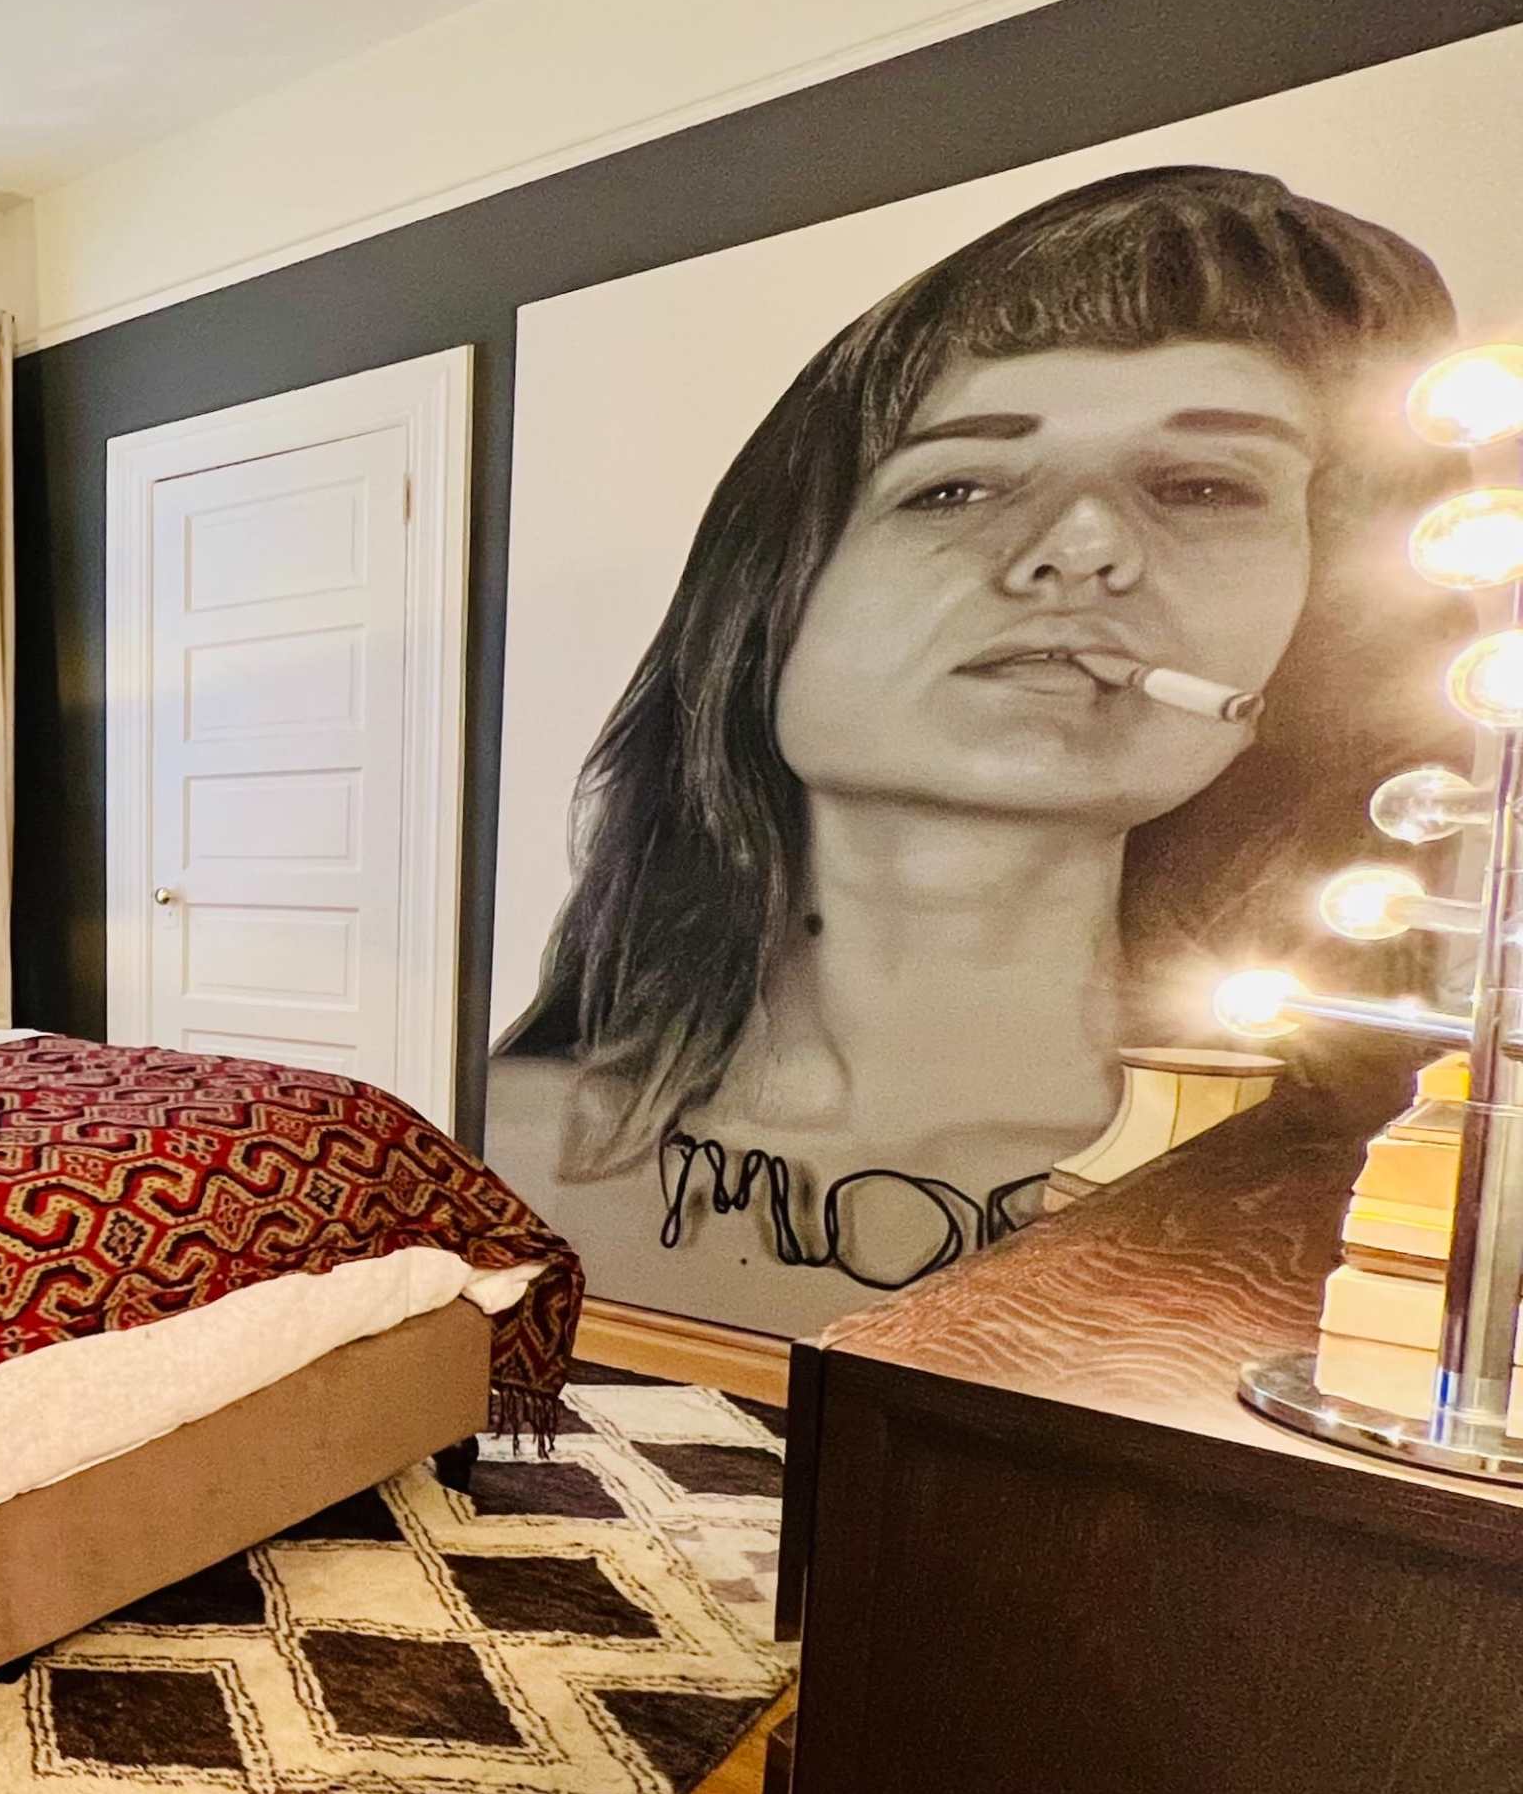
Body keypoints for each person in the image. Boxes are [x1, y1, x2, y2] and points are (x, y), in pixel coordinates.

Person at [488, 165, 1466, 1335]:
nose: (1087, 548)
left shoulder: (1383, 1213)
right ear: (767, 592)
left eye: (1203, 485)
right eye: (954, 485)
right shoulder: (495, 1142)